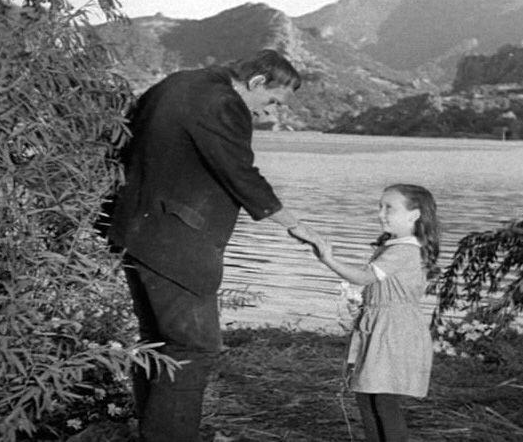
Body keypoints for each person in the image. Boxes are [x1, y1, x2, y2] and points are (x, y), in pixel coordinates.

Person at [106, 49, 321, 441]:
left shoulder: (176, 83)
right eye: (272, 100)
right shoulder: (224, 102)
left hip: (134, 231)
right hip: (177, 242)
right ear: (256, 81)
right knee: (195, 345)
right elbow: (239, 172)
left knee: (157, 340)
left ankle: (151, 431)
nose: (269, 112)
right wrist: (296, 225)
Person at [313, 184, 439, 442]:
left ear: (414, 215)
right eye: (379, 207)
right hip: (382, 325)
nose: (380, 213)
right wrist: (363, 302)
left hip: (394, 330)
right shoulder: (394, 245)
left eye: (388, 208)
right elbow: (380, 287)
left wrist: (329, 259)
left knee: (382, 400)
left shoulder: (405, 250)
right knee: (367, 396)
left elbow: (364, 276)